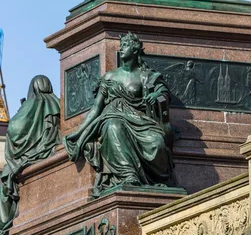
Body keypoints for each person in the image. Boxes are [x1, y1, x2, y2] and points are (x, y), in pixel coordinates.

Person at [64, 32, 175, 196]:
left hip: (140, 120)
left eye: (125, 45)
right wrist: (79, 132)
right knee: (113, 126)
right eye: (121, 45)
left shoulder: (147, 76)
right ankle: (128, 175)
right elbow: (96, 108)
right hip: (114, 116)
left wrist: (155, 95)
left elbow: (163, 92)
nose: (121, 49)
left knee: (157, 143)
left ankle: (153, 176)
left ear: (135, 49)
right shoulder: (110, 77)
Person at [0, 75, 60, 235]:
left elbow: (13, 129)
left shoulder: (31, 104)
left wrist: (24, 111)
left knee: (5, 178)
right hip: (53, 149)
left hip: (32, 156)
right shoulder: (60, 102)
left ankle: (6, 224)